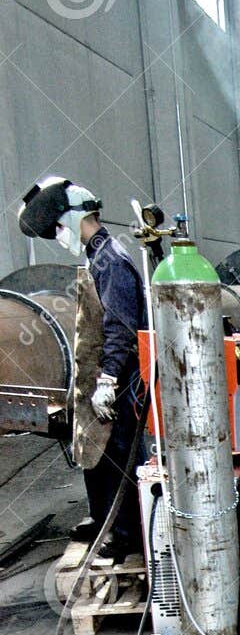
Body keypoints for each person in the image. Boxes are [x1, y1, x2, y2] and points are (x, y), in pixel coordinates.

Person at [19, 177, 148, 561]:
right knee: (94, 450)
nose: (58, 236)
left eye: (58, 227)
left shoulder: (112, 260)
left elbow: (120, 325)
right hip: (97, 377)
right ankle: (103, 516)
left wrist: (109, 378)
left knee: (120, 454)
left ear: (76, 218)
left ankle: (127, 534)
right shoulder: (96, 257)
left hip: (119, 380)